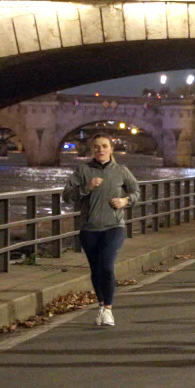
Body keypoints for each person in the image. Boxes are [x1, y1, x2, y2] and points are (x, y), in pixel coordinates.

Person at [61, 134, 140, 327]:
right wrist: (86, 187)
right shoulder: (82, 170)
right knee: (96, 269)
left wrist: (125, 201)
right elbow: (67, 196)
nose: (100, 150)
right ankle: (101, 306)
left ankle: (109, 309)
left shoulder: (121, 171)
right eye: (96, 147)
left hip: (114, 226)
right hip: (89, 228)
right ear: (91, 150)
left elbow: (136, 191)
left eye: (104, 146)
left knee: (106, 264)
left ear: (111, 149)